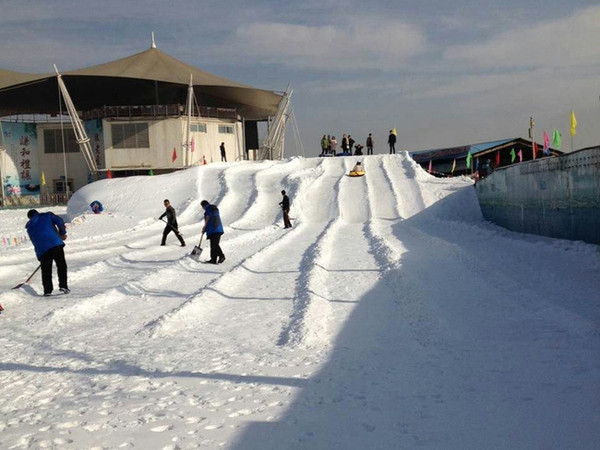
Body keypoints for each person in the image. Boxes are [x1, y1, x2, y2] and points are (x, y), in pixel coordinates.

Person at [25, 209, 69, 296]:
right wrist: (62, 233)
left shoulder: (29, 227)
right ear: (37, 213)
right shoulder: (47, 216)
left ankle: (47, 291)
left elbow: (34, 241)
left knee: (46, 270)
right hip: (55, 243)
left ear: (29, 218)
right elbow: (59, 221)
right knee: (61, 265)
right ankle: (63, 286)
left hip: (42, 250)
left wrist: (40, 255)